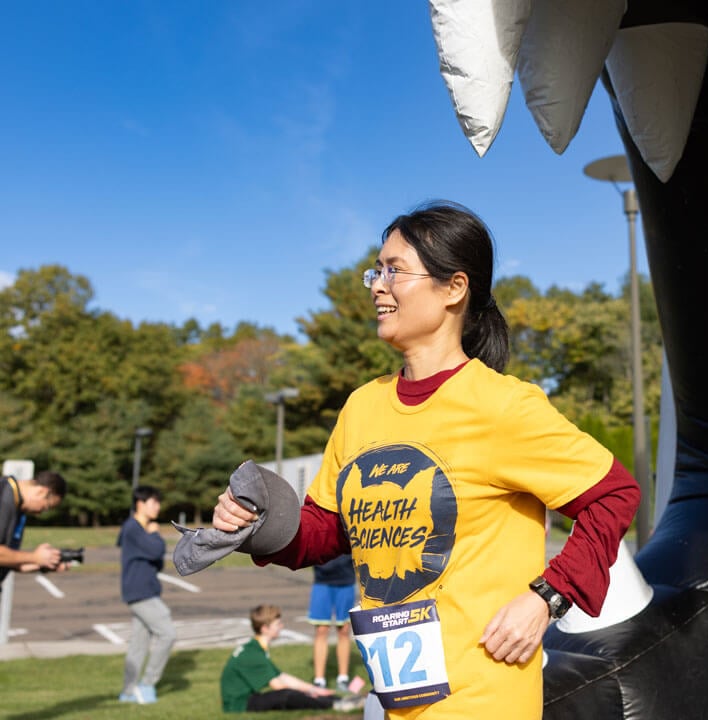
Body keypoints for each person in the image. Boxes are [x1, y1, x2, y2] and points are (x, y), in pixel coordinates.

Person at [210, 201, 640, 719]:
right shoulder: (361, 408)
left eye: (394, 270)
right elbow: (325, 531)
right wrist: (253, 525)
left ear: (454, 288)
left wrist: (547, 597)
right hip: (391, 701)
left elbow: (615, 494)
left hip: (483, 697)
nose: (376, 285)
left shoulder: (504, 405)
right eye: (376, 269)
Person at [221, 603, 365, 713]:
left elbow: (282, 677)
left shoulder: (256, 647)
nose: (281, 626)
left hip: (246, 699)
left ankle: (341, 700)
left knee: (292, 692)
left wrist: (314, 689)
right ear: (265, 628)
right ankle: (337, 704)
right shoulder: (253, 653)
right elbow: (278, 686)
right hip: (238, 705)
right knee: (286, 695)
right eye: (277, 624)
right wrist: (309, 693)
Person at [117, 485, 176, 705]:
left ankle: (128, 692)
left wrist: (152, 537)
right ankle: (147, 684)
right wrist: (156, 535)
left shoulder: (136, 529)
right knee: (168, 634)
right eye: (154, 502)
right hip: (141, 593)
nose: (158, 507)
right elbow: (156, 551)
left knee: (138, 644)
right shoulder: (134, 528)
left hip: (140, 591)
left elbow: (156, 562)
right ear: (140, 504)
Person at [0, 470, 68, 586]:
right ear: (42, 492)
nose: (40, 512)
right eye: (46, 507)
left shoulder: (18, 509)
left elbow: (7, 559)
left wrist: (42, 563)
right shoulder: (3, 496)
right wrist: (34, 557)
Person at [309, 553, 356, 692]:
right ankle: (319, 681)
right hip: (321, 581)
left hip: (346, 580)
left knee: (344, 630)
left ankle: (343, 679)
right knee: (321, 629)